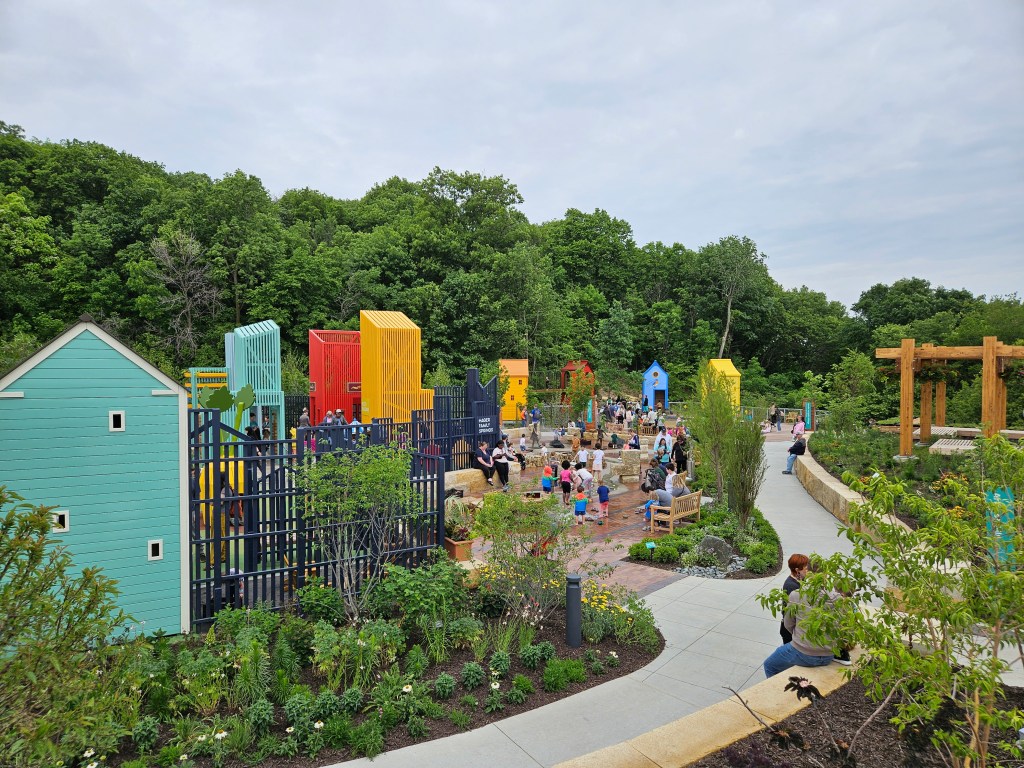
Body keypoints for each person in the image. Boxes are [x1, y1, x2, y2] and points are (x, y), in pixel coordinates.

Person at [762, 585, 846, 678]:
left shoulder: (797, 594)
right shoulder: (839, 598)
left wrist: (801, 638)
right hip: (829, 654)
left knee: (769, 665)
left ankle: (780, 691)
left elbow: (788, 624)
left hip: (803, 652)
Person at [779, 554, 809, 644]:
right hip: (790, 632)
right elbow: (791, 613)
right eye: (806, 569)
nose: (808, 571)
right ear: (797, 570)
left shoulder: (799, 581)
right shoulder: (792, 586)